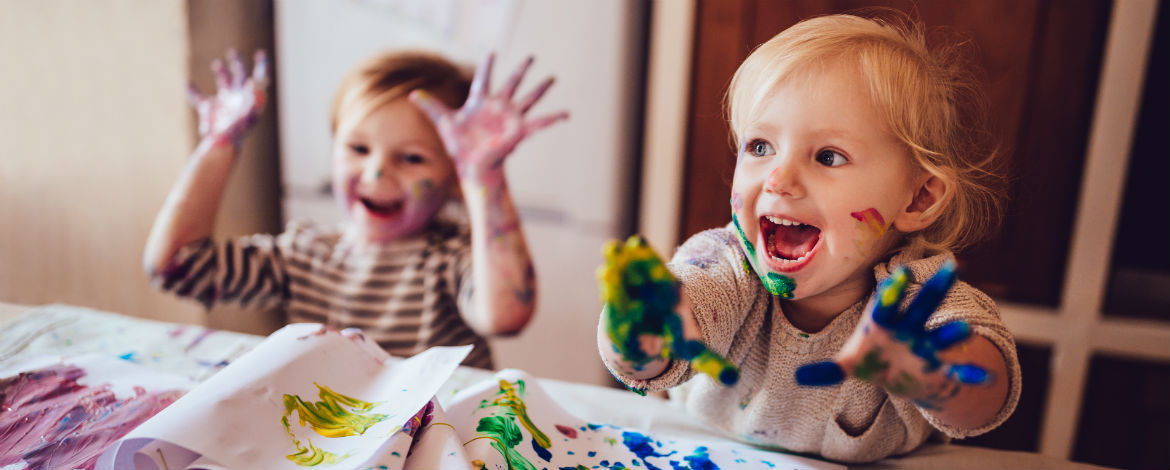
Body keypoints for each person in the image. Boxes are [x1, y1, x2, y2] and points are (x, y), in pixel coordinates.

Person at [597, 12, 1019, 463]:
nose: (780, 180)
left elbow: (985, 402)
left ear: (917, 198)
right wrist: (636, 334)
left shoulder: (913, 302)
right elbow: (653, 354)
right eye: (760, 146)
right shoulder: (727, 263)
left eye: (828, 156)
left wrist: (931, 374)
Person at [144, 49, 566, 369]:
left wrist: (485, 177)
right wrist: (219, 146)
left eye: (412, 158)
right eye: (358, 148)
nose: (377, 171)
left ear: (455, 178)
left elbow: (507, 315)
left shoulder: (451, 261)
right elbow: (176, 266)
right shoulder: (304, 255)